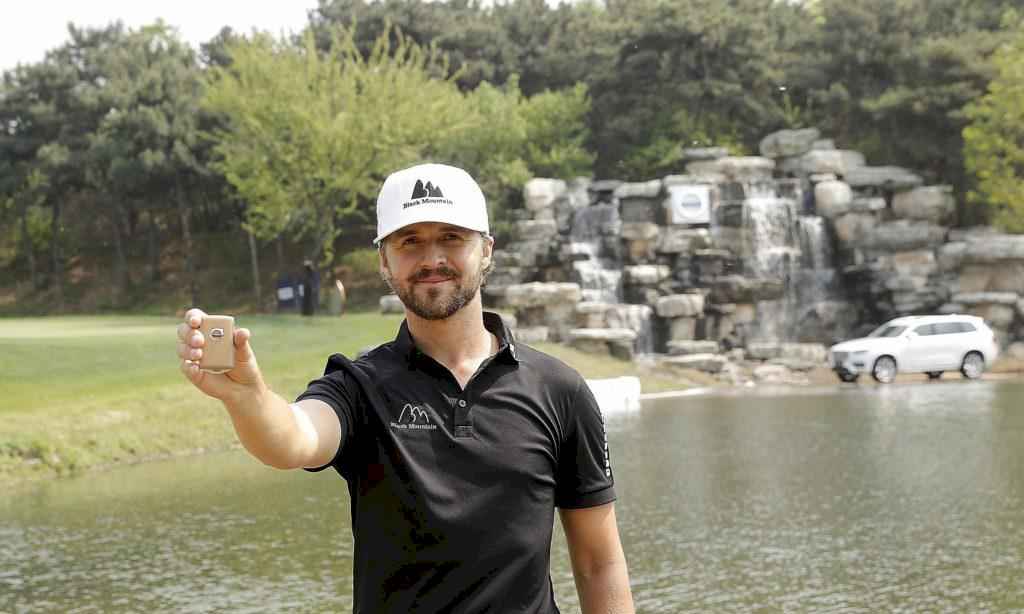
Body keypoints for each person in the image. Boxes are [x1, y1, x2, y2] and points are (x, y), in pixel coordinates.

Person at [176, 163, 634, 613]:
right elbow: (294, 439)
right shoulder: (360, 386)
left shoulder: (560, 390)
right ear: (385, 260)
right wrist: (248, 396)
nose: (432, 258)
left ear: (486, 250)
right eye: (410, 241)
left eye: (451, 237)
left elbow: (599, 565)